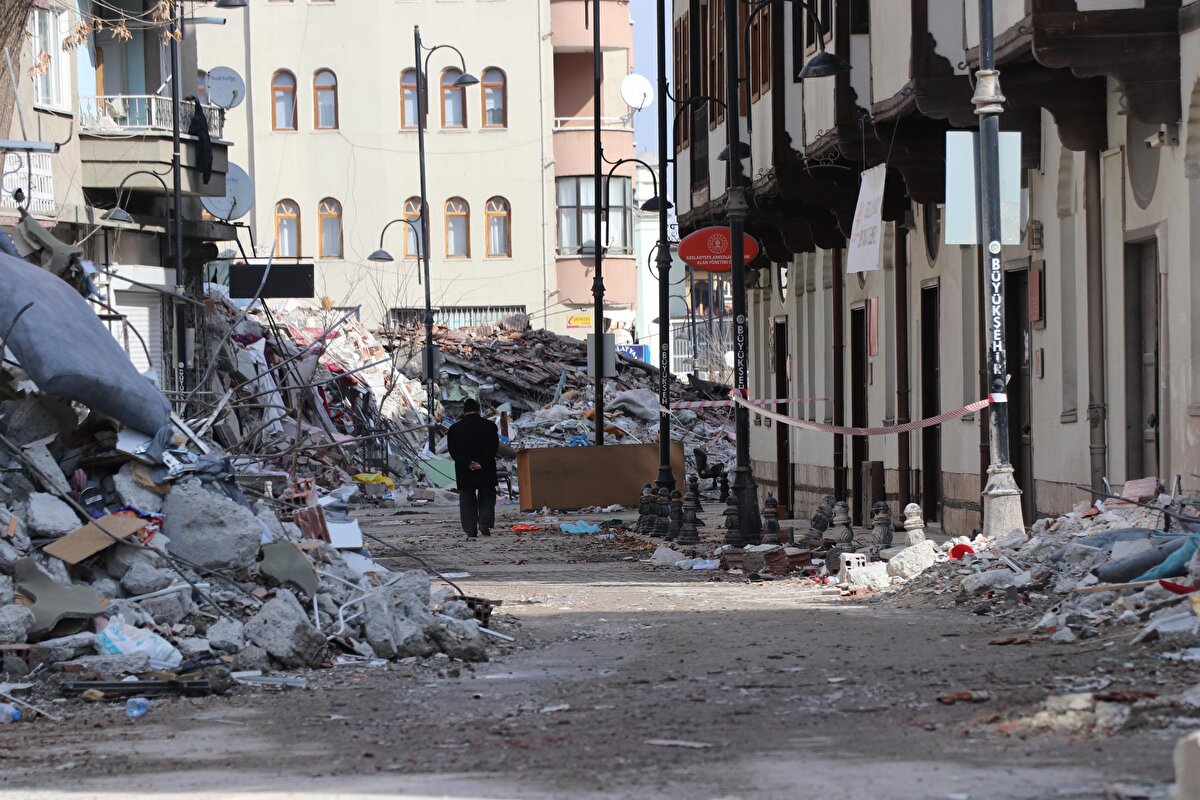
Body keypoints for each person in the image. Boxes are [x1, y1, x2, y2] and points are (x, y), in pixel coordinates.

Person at [446, 398, 499, 538]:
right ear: (479, 411)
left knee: (467, 499)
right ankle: (484, 522)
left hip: (465, 470)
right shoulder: (490, 426)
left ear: (464, 412)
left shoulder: (454, 429)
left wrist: (468, 463)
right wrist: (481, 463)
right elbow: (493, 448)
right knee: (487, 496)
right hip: (486, 468)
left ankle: (470, 529)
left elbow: (454, 451)